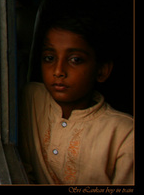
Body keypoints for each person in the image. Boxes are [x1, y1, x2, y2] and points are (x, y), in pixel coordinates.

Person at [19, 11, 134, 184]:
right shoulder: (31, 98)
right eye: (49, 58)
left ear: (101, 70)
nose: (58, 71)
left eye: (75, 60)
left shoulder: (124, 134)